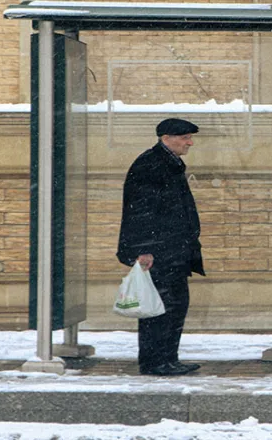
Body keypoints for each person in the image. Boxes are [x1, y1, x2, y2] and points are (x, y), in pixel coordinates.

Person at [116, 118, 205, 376]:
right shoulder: (151, 165)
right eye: (185, 138)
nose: (190, 143)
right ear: (166, 138)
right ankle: (155, 362)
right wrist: (143, 249)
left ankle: (167, 358)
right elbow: (140, 211)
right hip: (159, 252)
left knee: (174, 305)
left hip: (172, 250)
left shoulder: (167, 163)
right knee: (159, 307)